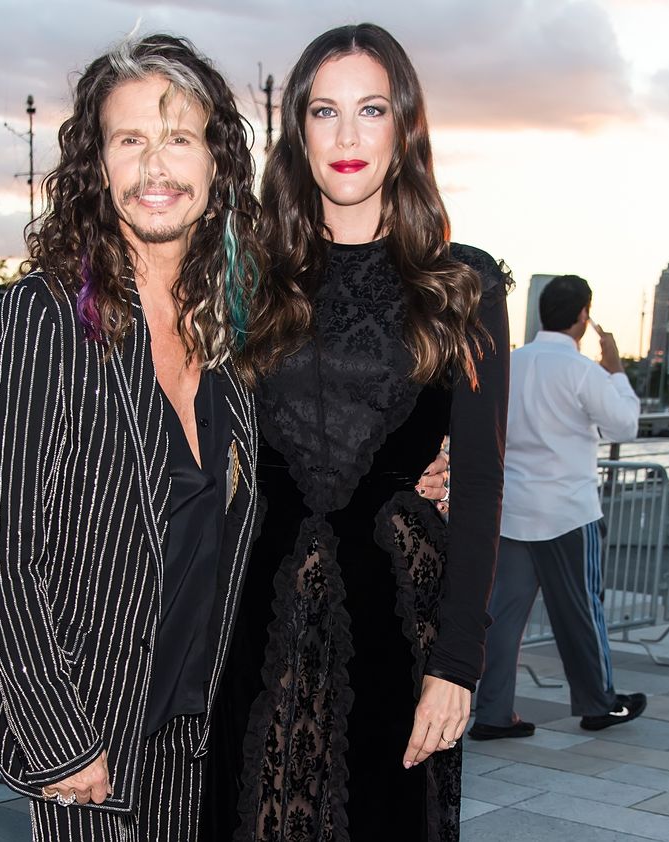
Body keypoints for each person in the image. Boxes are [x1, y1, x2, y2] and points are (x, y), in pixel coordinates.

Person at [201, 23, 510, 842]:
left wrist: (458, 664)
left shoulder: (464, 283)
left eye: (370, 110)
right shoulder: (246, 273)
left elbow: (478, 483)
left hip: (398, 619)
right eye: (323, 111)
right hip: (254, 611)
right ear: (297, 132)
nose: (345, 136)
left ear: (403, 127)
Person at [0, 33, 264, 842]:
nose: (155, 167)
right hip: (89, 728)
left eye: (179, 138)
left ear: (216, 164)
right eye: (130, 140)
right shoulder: (50, 313)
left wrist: (419, 473)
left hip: (197, 731)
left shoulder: (234, 331)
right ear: (98, 167)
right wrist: (59, 735)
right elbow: (2, 546)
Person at [471, 275, 646, 740]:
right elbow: (625, 426)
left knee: (502, 617)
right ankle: (599, 704)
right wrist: (617, 370)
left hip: (513, 510)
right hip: (569, 512)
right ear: (583, 317)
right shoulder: (583, 371)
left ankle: (491, 713)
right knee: (582, 612)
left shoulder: (511, 364)